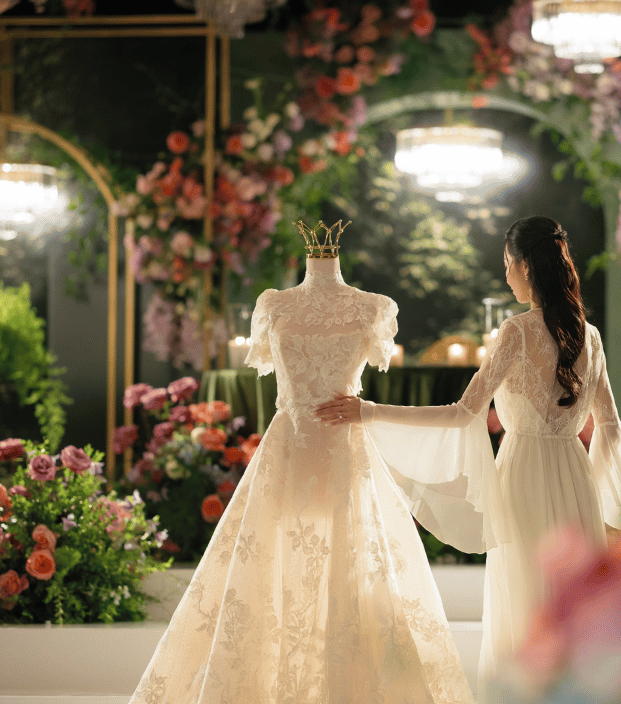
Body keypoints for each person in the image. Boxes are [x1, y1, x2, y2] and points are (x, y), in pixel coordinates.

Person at [129, 220, 474, 704]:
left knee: (349, 570)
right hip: (289, 452)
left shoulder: (373, 308)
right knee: (273, 567)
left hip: (343, 453)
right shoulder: (274, 305)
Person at [316, 215, 621, 687]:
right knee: (570, 597)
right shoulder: (591, 336)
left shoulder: (516, 333)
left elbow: (462, 413)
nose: (505, 275)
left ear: (524, 265)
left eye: (506, 265)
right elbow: (611, 425)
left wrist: (369, 411)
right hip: (577, 480)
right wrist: (613, 501)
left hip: (522, 478)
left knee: (525, 594)